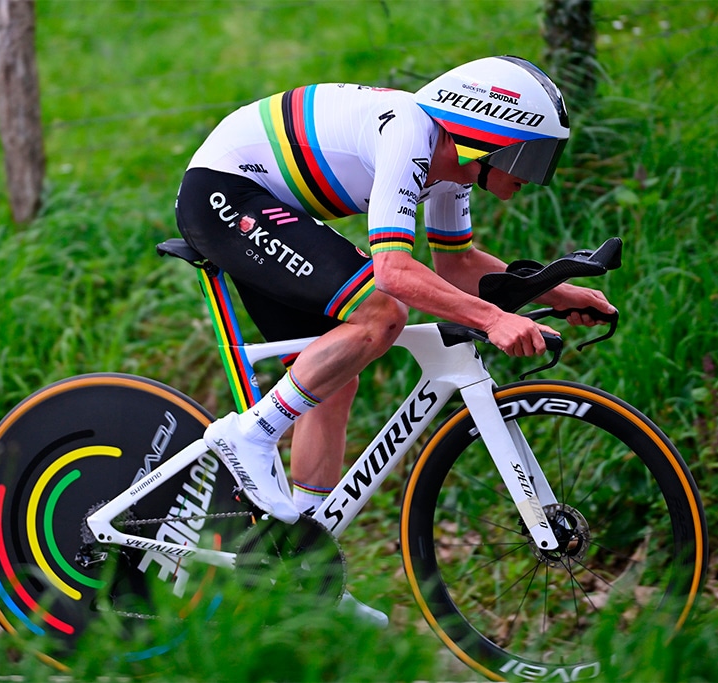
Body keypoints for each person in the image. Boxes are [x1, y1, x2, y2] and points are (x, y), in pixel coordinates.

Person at [174, 55, 616, 624]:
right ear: (484, 134)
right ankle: (250, 435)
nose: (530, 174)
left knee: (334, 376)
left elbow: (457, 267)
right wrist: (493, 320)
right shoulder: (410, 132)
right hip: (226, 195)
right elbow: (394, 273)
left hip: (268, 207)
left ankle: (299, 566)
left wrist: (557, 292)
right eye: (527, 155)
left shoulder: (450, 170)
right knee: (382, 314)